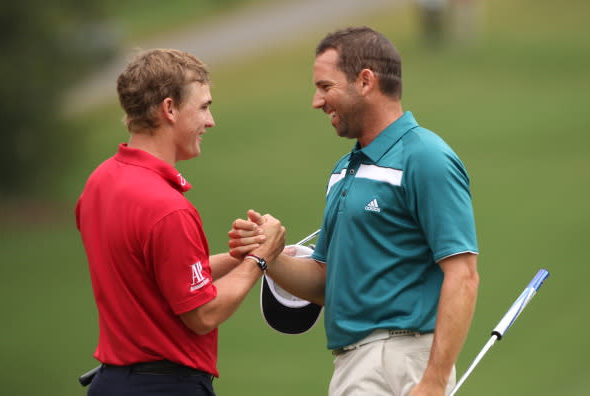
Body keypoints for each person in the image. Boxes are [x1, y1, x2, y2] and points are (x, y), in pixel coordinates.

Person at [230, 27, 479, 396]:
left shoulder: (425, 157)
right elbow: (325, 281)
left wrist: (433, 381)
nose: (317, 101)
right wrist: (271, 254)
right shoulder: (344, 170)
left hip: (407, 359)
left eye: (325, 86)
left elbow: (463, 275)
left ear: (365, 81)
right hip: (352, 362)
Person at [75, 48, 285, 396]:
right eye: (203, 107)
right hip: (166, 386)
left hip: (111, 383)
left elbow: (157, 278)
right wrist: (258, 260)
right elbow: (202, 315)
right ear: (169, 109)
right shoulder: (168, 209)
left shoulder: (98, 183)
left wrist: (239, 256)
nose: (211, 120)